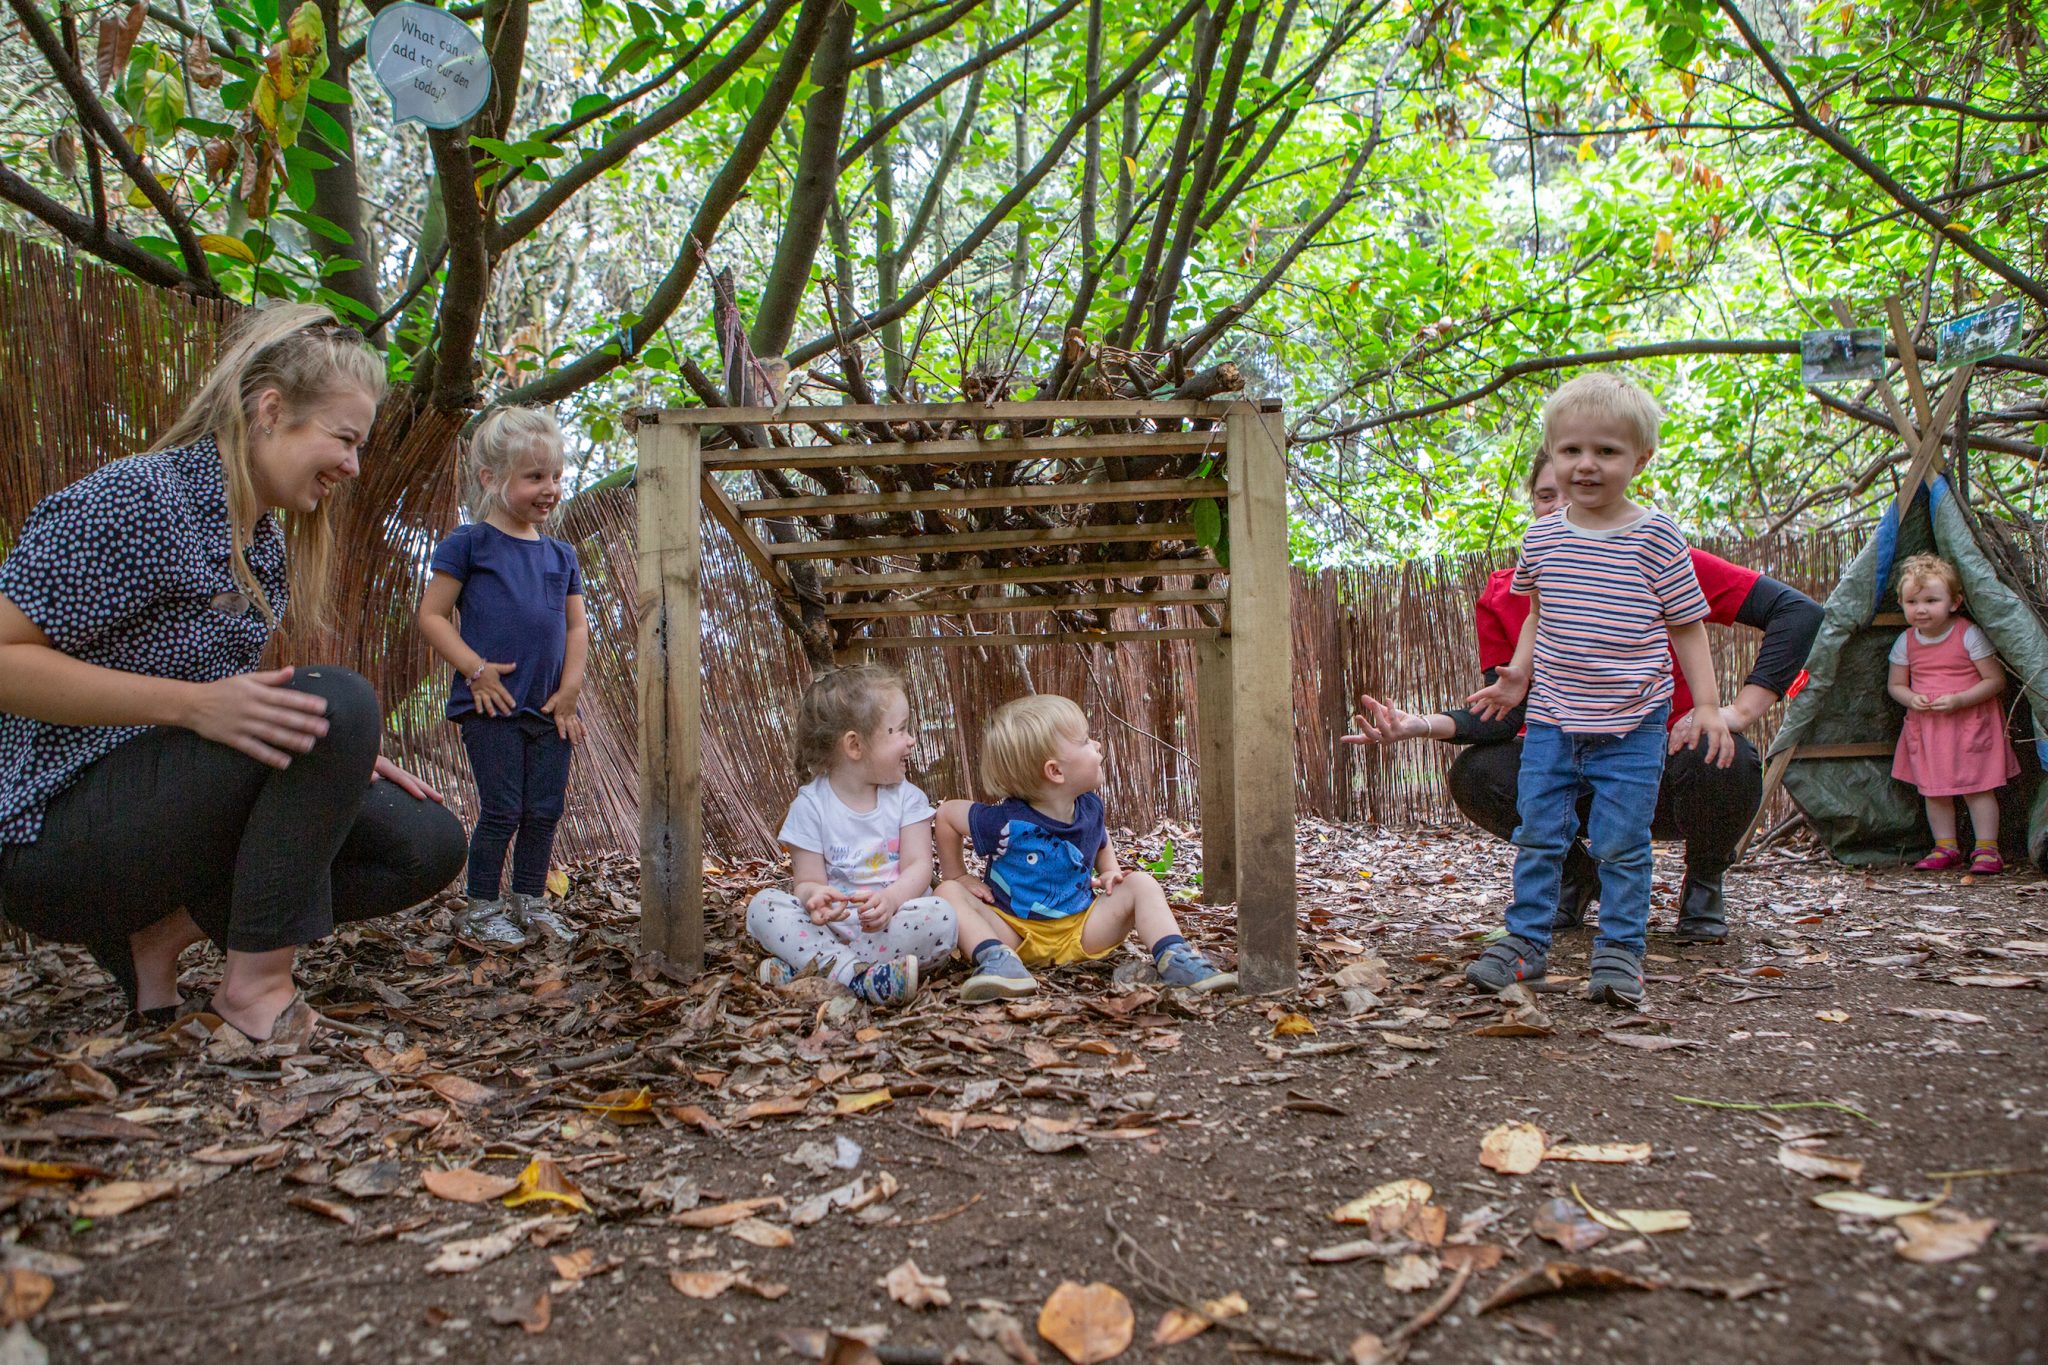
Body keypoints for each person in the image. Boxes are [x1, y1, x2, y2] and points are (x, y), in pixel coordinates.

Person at [0, 304, 466, 1042]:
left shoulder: (262, 546)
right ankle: (256, 988)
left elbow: (238, 712)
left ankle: (155, 939)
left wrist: (337, 755)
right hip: (48, 836)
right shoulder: (140, 500)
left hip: (160, 814)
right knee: (338, 699)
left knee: (427, 840)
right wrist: (194, 707)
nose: (353, 465)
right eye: (345, 438)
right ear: (271, 411)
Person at [1345, 448, 1821, 944]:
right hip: (1569, 765)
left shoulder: (1658, 553)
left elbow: (1797, 613)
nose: (1559, 506)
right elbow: (1507, 716)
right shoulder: (1509, 594)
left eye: (1571, 492)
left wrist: (1737, 710)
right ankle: (1578, 874)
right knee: (1478, 773)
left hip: (1659, 763)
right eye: (1546, 495)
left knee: (1730, 756)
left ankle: (1704, 881)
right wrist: (1420, 725)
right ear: (1532, 504)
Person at [1456, 372, 1734, 1007]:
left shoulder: (1655, 537)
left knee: (1619, 840)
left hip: (1632, 723)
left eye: (1606, 451)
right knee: (1539, 831)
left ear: (1640, 459)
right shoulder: (1544, 537)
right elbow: (1536, 610)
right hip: (1553, 718)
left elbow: (1687, 628)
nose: (1586, 465)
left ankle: (1620, 953)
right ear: (1551, 453)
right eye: (1571, 450)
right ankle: (1525, 943)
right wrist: (1520, 672)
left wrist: (1711, 706)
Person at [934, 693, 1235, 1001]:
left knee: (1141, 884)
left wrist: (1110, 870)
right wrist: (957, 876)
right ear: (1055, 772)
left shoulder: (1089, 806)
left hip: (1082, 928)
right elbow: (945, 816)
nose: (1097, 745)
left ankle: (1176, 958)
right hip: (1013, 932)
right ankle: (997, 960)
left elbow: (1099, 835)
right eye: (1085, 741)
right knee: (946, 893)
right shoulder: (1001, 821)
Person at [417, 408, 587, 948]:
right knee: (502, 809)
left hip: (548, 707)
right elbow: (431, 616)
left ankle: (531, 900)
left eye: (556, 476)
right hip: (490, 707)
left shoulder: (561, 555)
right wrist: (475, 669)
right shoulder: (468, 545)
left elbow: (576, 625)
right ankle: (483, 906)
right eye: (535, 477)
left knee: (545, 809)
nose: (550, 488)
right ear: (491, 479)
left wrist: (571, 691)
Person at [744, 664, 955, 1006]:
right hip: (833, 927)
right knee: (762, 907)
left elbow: (919, 866)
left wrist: (891, 900)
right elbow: (807, 881)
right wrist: (816, 898)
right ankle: (860, 977)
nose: (911, 740)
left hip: (892, 921)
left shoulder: (907, 798)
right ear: (855, 745)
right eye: (900, 730)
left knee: (942, 916)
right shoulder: (810, 806)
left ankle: (813, 969)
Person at [1885, 553, 2017, 874]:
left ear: (1954, 602)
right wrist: (1911, 698)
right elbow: (1896, 685)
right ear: (1901, 603)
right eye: (1912, 601)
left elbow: (1995, 680)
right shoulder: (1906, 641)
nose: (1921, 609)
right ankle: (1945, 846)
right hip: (1929, 727)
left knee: (1977, 786)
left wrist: (1959, 700)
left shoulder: (1967, 634)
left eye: (1931, 600)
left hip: (1970, 722)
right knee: (1934, 789)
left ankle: (1987, 849)